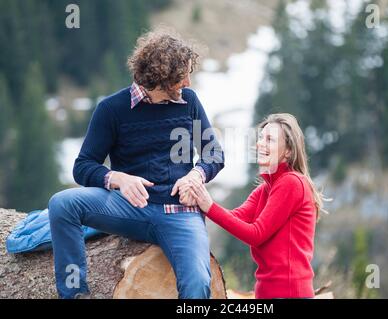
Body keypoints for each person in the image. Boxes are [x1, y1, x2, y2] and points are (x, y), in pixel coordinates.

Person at [48, 30, 224, 299]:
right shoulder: (112, 109)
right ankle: (74, 294)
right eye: (181, 76)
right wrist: (117, 178)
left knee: (198, 283)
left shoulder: (189, 102)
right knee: (62, 204)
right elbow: (83, 166)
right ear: (160, 77)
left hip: (179, 212)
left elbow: (214, 154)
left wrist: (197, 175)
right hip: (127, 208)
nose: (188, 82)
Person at [186, 113, 325, 299]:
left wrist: (209, 206)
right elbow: (235, 216)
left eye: (270, 140)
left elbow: (256, 234)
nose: (260, 144)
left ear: (288, 151)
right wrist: (198, 202)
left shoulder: (291, 183)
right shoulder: (265, 190)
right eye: (261, 138)